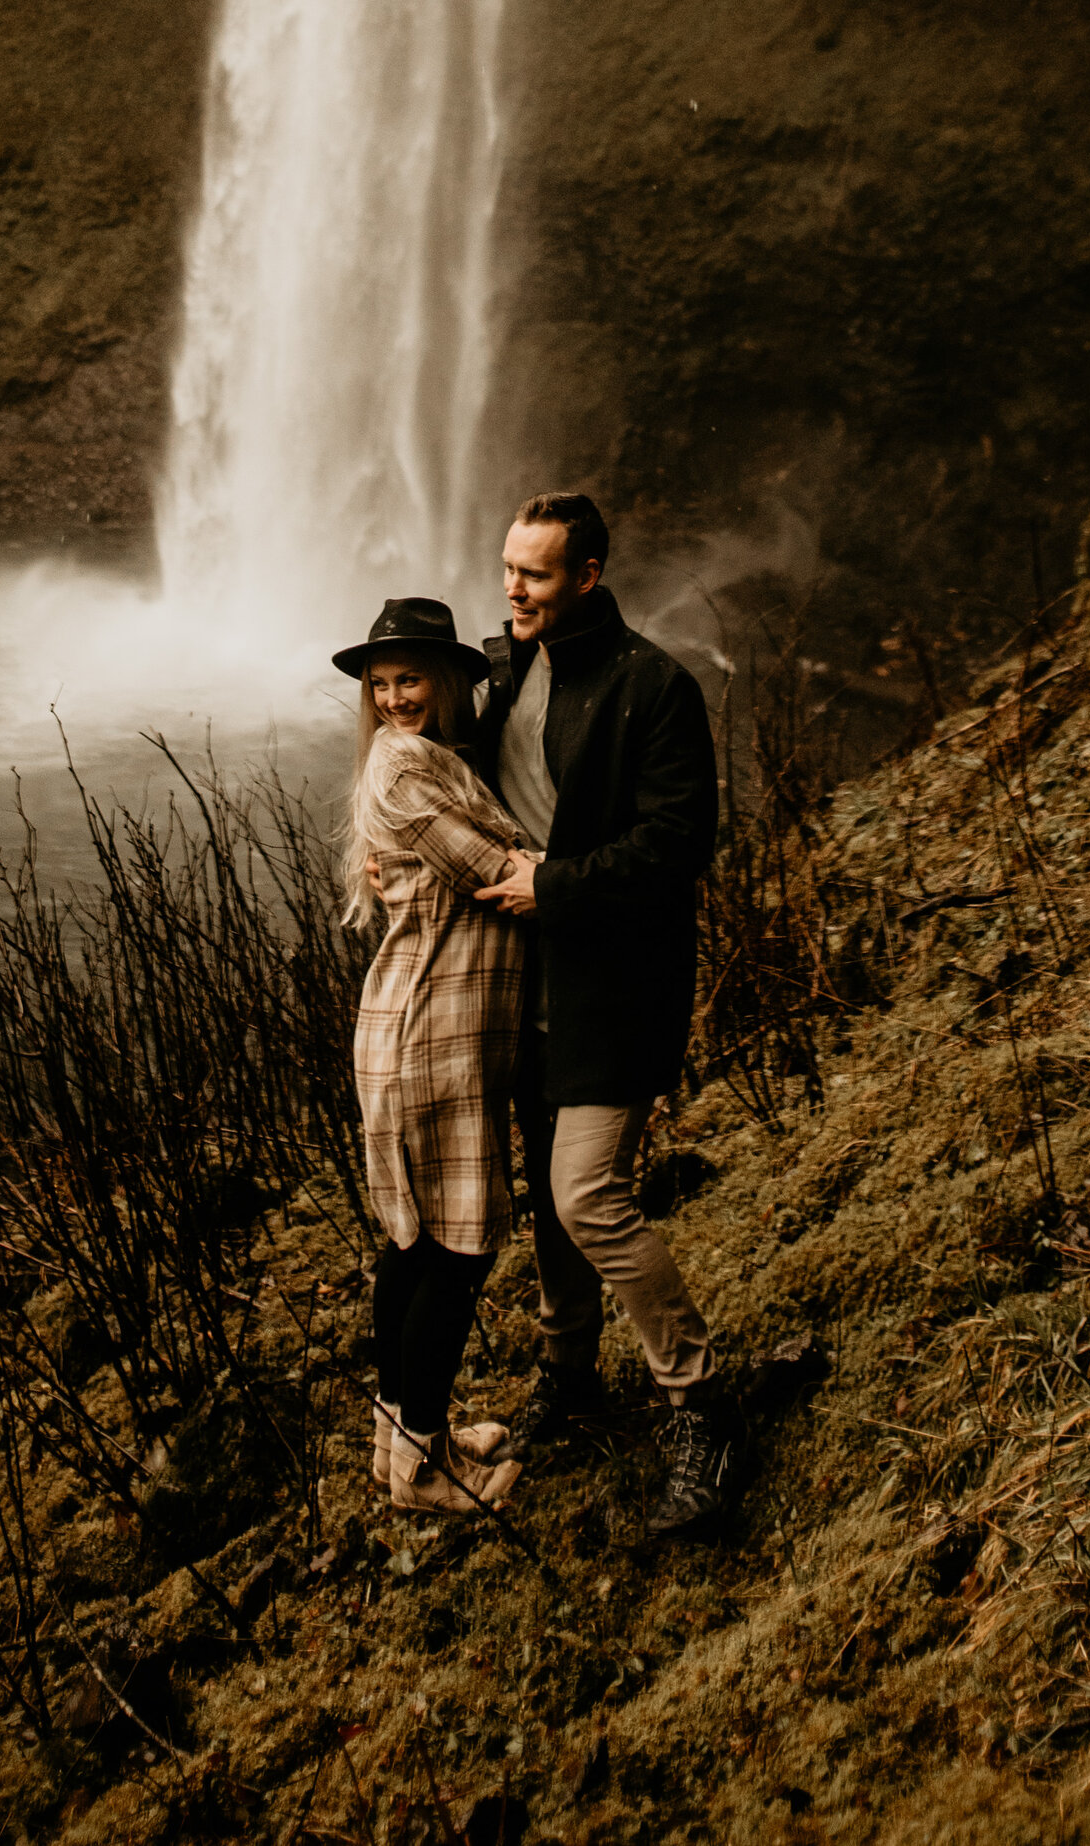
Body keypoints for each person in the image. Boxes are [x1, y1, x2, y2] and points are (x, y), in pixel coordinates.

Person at [472, 492, 743, 1535]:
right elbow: (433, 761)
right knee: (545, 1196)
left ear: (587, 575)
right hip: (517, 985)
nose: (512, 589)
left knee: (587, 1195)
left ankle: (696, 1402)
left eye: (534, 575)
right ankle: (569, 1373)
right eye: (506, 569)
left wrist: (557, 887)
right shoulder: (502, 675)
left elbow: (678, 846)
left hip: (614, 985)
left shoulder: (654, 688)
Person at [338, 593, 533, 1518]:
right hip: (431, 1033)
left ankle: (402, 1444)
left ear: (449, 680)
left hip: (422, 1026)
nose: (391, 699)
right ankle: (424, 1472)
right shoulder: (411, 774)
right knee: (456, 1252)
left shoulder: (433, 759)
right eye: (380, 686)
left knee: (413, 1246)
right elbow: (498, 873)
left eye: (408, 679)